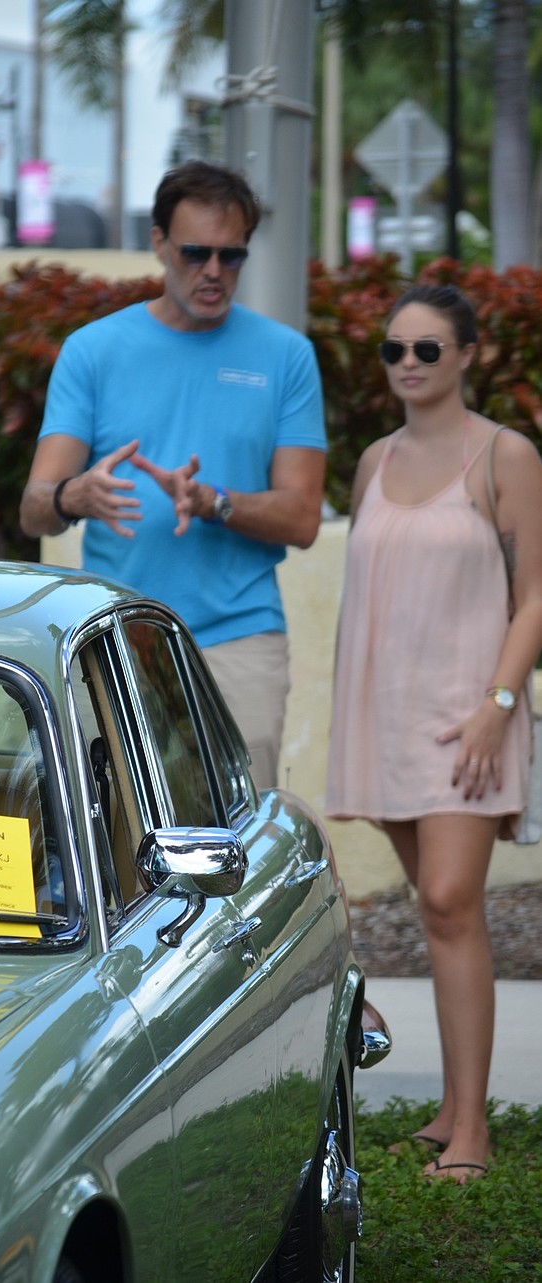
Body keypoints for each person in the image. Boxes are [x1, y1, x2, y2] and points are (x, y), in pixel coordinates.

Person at [326, 283, 542, 1183]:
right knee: (438, 913)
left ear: (466, 356)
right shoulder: (373, 461)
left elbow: (534, 597)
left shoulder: (506, 454)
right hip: (388, 716)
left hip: (468, 719)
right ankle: (454, 1107)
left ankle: (474, 1134)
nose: (407, 365)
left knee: (452, 906)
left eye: (426, 349)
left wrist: (498, 703)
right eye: (392, 351)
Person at [19, 160, 326, 790]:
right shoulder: (94, 351)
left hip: (239, 635)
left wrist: (213, 501)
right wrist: (75, 494)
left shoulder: (286, 356)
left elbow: (302, 518)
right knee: (126, 844)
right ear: (158, 242)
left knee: (244, 834)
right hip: (117, 635)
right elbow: (34, 507)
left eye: (231, 255)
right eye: (194, 252)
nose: (213, 271)